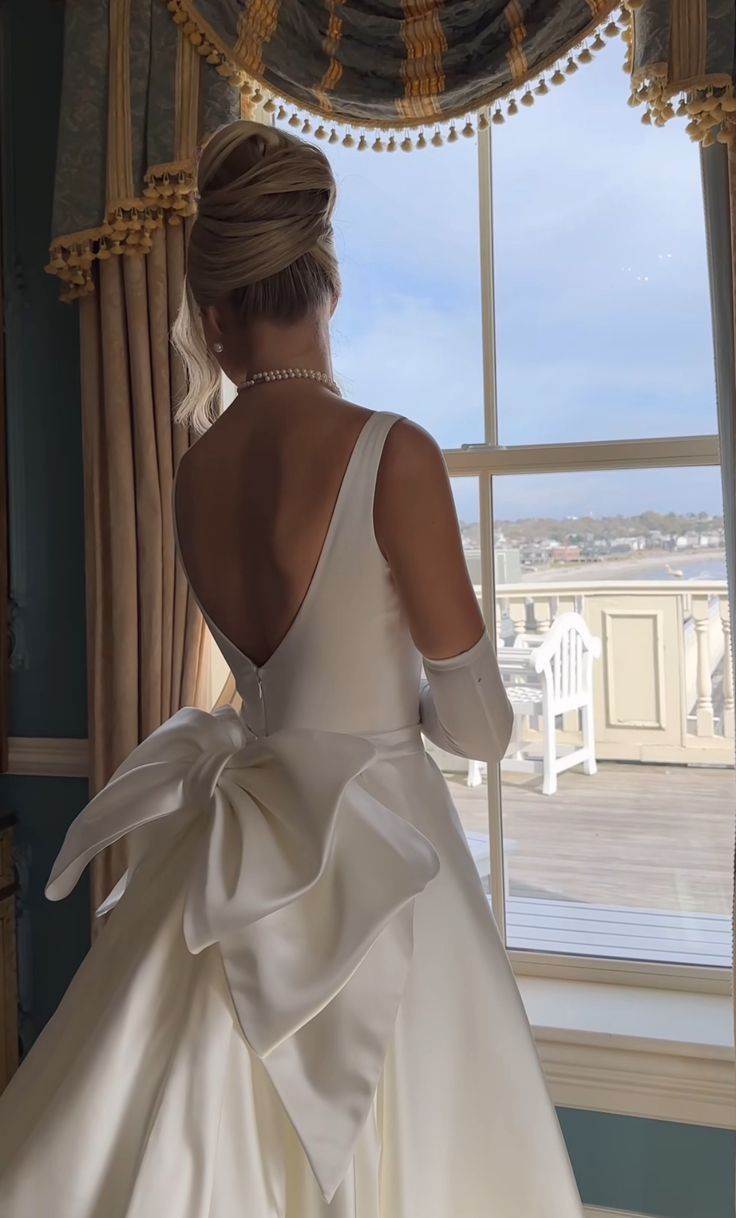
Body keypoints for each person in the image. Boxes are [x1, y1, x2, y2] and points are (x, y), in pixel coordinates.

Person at [0, 120, 584, 1217]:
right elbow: (481, 730)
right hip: (375, 844)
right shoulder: (390, 451)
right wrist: (395, 691)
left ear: (213, 315)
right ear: (331, 284)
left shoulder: (192, 475)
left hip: (231, 845)